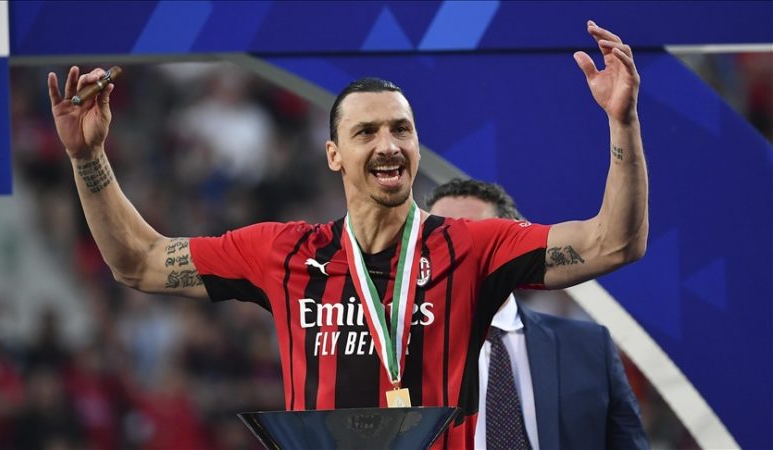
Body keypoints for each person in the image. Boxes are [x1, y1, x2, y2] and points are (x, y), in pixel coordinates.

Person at [47, 20, 647, 450]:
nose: (388, 145)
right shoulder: (283, 252)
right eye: (366, 133)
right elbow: (140, 261)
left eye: (401, 130)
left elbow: (614, 242)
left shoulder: (471, 246)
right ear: (333, 154)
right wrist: (87, 158)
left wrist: (622, 121)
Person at [427, 178, 649, 450]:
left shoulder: (589, 348)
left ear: (513, 250)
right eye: (440, 241)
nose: (454, 256)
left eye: (476, 241)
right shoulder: (399, 354)